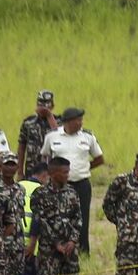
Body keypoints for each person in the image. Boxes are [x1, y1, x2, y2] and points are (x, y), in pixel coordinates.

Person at [29, 157, 82, 275]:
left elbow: (78, 219)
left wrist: (72, 241)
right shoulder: (39, 195)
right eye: (64, 172)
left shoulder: (72, 193)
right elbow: (40, 221)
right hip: (49, 249)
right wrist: (55, 243)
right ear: (52, 173)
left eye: (68, 172)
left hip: (69, 249)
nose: (67, 175)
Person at [38, 107, 102, 253]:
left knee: (82, 218)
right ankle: (59, 247)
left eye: (81, 120)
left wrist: (85, 167)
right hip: (58, 186)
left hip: (81, 184)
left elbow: (99, 158)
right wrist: (51, 173)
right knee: (57, 216)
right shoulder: (52, 137)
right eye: (77, 120)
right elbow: (45, 156)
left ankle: (83, 251)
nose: (80, 123)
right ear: (67, 122)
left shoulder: (88, 136)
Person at [18, 91, 56, 177]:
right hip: (32, 169)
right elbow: (21, 147)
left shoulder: (59, 122)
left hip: (52, 170)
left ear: (52, 106)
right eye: (40, 105)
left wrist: (49, 116)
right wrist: (20, 171)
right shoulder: (28, 123)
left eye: (46, 106)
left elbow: (58, 136)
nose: (42, 109)